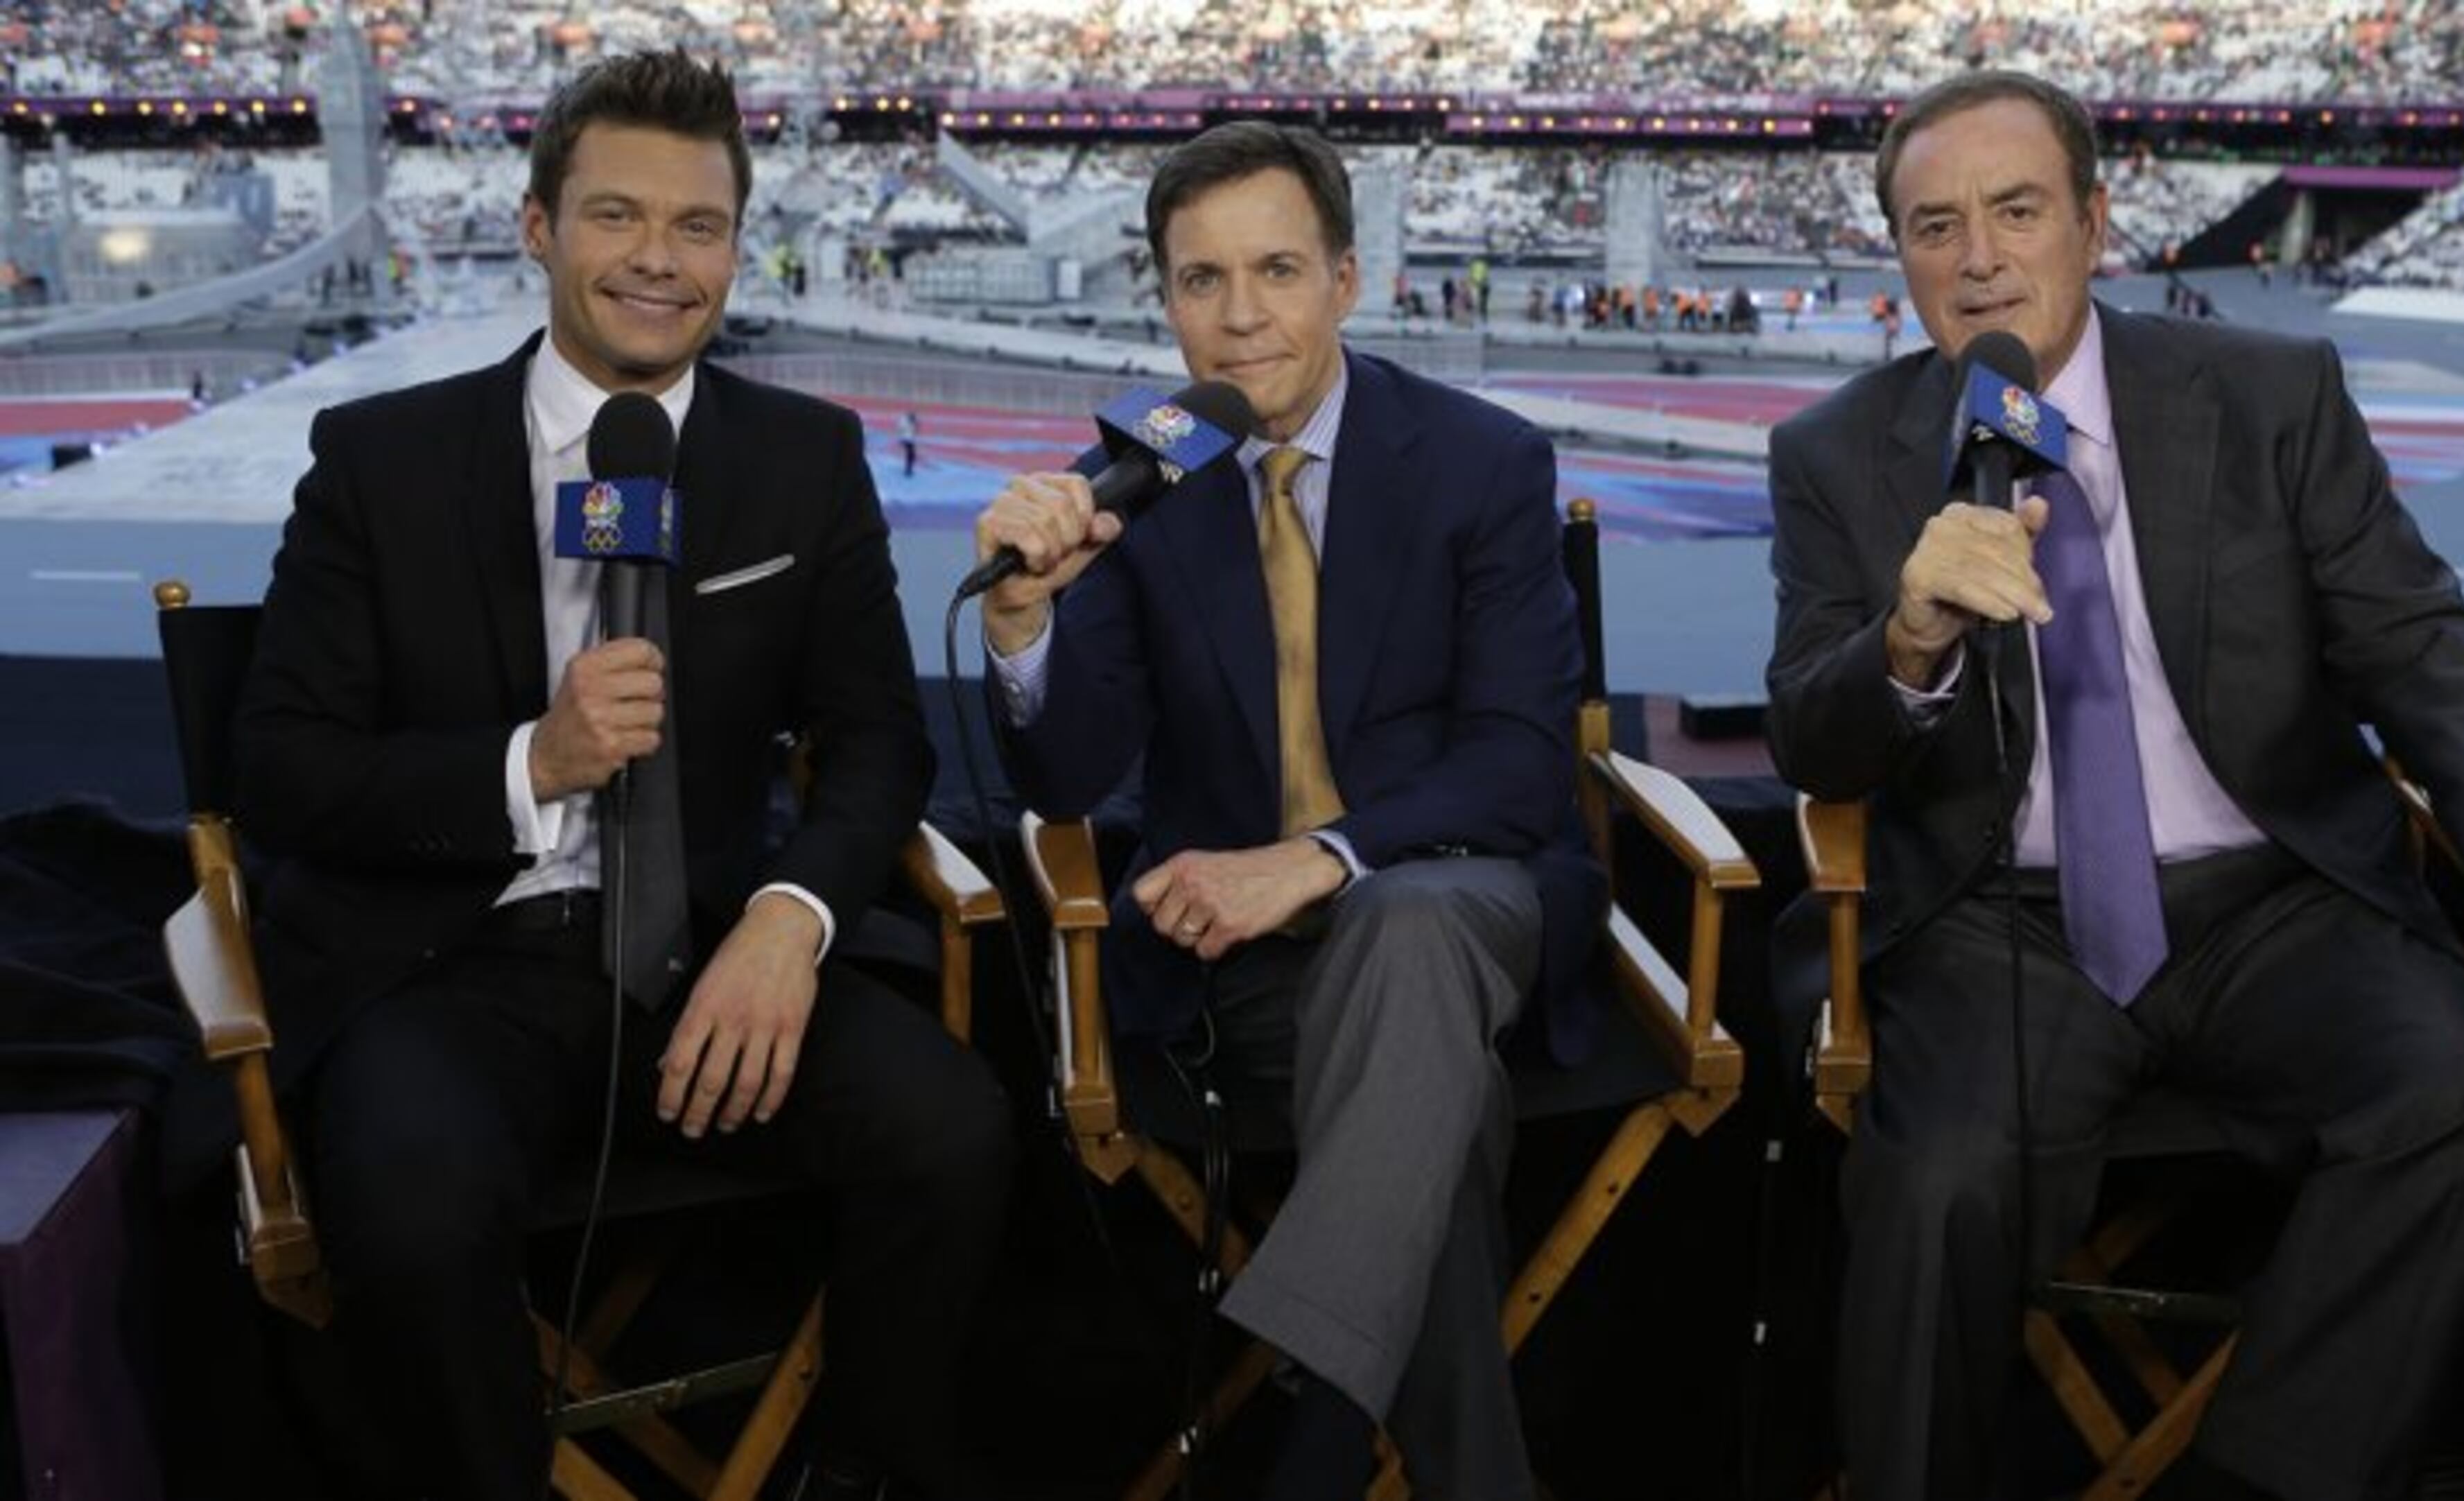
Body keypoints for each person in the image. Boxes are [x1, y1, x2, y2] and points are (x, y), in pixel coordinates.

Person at [1764, 71, 2464, 1501]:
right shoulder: (1837, 455)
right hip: (1999, 920)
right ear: (1899, 257)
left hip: (2273, 901)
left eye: (2018, 211)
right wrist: (1907, 635)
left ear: (2096, 224)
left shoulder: (2268, 397)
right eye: (1934, 225)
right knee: (1934, 1186)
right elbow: (1814, 740)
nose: (1977, 257)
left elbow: (2419, 640)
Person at [231, 51, 1011, 1501]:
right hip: (450, 963)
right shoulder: (380, 459)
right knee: (408, 1202)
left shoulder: (806, 458)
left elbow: (881, 740)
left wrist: (792, 916)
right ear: (538, 226)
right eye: (615, 217)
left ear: (736, 244)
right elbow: (280, 769)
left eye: (698, 227)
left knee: (955, 1130)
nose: (660, 261)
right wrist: (535, 757)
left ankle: (861, 1472)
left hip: (716, 947)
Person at [972, 121, 1599, 1501]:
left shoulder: (1481, 461)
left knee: (1414, 921)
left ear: (1347, 279)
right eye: (1201, 280)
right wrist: (1024, 619)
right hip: (1249, 977)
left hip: (1461, 896)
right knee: (1438, 1095)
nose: (1240, 316)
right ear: (1164, 296)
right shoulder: (1144, 470)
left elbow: (1516, 767)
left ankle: (1307, 1442)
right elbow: (1069, 778)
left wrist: (1312, 859)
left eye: (1275, 270)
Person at [899, 406, 921, 477]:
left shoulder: (910, 421)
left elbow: (916, 430)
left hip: (910, 439)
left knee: (911, 455)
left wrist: (916, 426)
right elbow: (902, 429)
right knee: (911, 454)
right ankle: (908, 470)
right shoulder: (904, 421)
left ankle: (908, 469)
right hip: (906, 439)